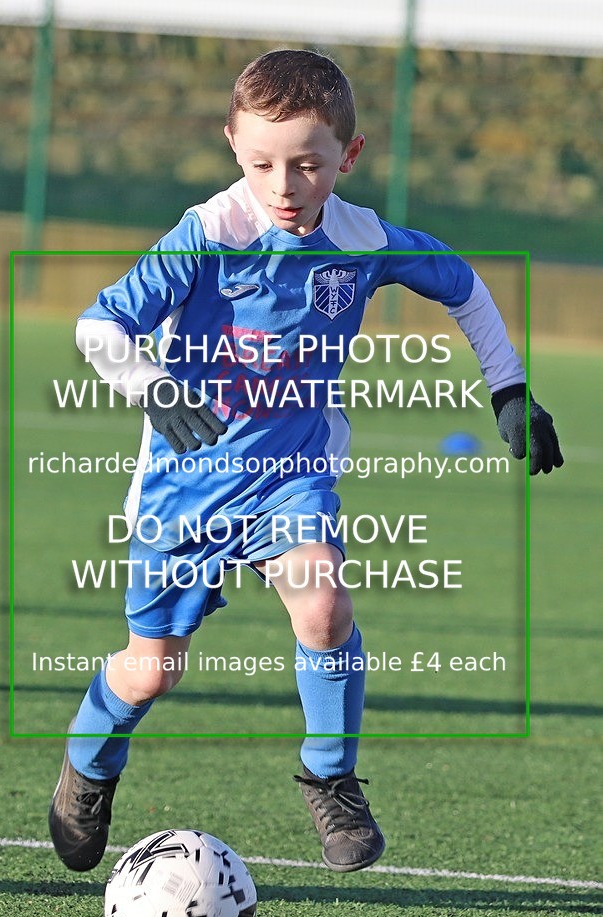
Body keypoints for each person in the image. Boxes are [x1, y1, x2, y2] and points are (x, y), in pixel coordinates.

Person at [49, 49, 563, 875]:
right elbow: (98, 325)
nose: (284, 185)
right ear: (232, 145)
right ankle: (89, 763)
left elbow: (463, 283)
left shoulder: (361, 240)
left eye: (307, 165)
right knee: (150, 673)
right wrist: (150, 384)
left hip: (294, 476)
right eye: (260, 163)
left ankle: (331, 780)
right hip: (187, 487)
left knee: (323, 606)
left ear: (347, 158)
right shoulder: (209, 233)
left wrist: (508, 389)